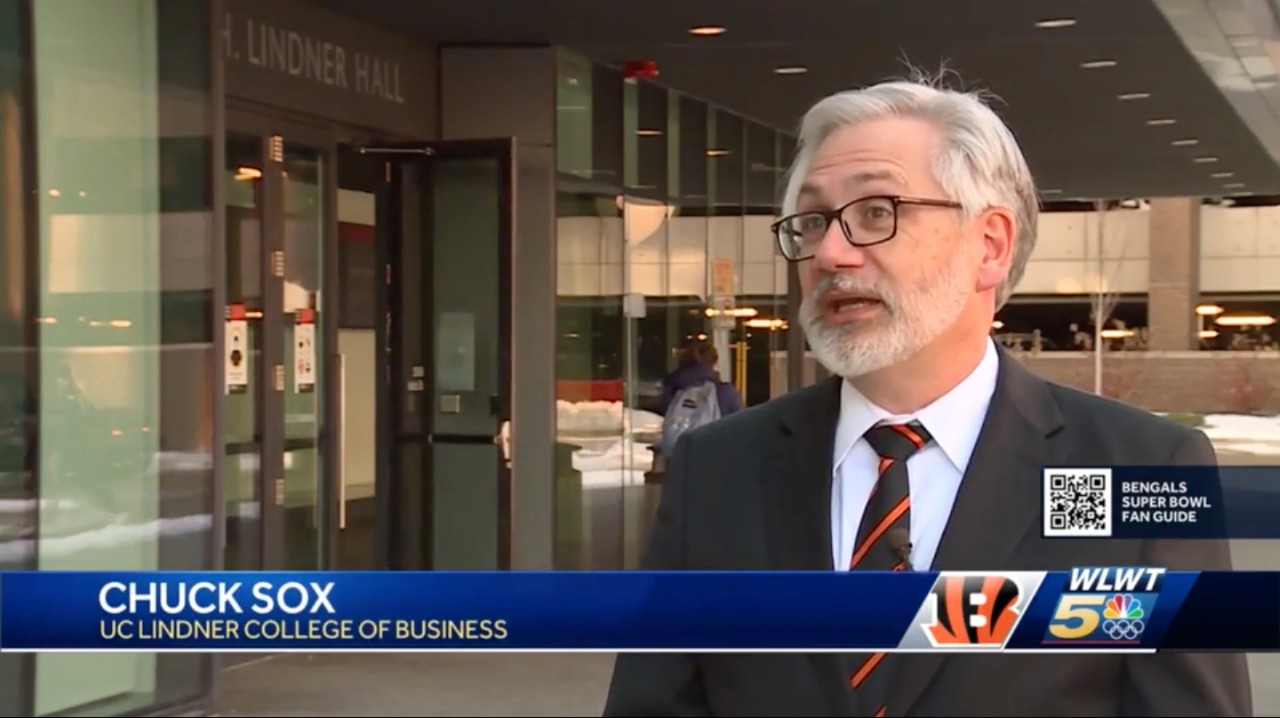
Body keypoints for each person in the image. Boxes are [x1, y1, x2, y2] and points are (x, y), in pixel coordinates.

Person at [603, 71, 1252, 717]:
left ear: (990, 246)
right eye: (811, 220)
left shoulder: (1139, 468)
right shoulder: (718, 470)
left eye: (875, 213)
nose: (831, 252)